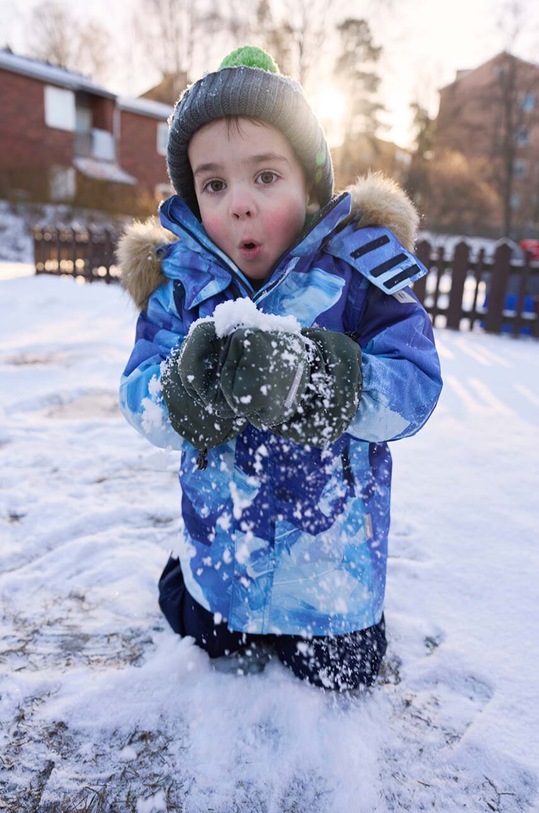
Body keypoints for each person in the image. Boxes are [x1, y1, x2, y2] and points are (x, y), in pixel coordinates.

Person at [118, 46, 442, 691]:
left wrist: (324, 382)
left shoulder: (359, 276)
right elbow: (138, 395)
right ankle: (193, 584)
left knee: (344, 675)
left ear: (310, 185)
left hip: (329, 582)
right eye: (214, 184)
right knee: (201, 630)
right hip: (222, 563)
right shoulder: (180, 287)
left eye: (265, 176)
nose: (239, 203)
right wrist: (182, 391)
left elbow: (415, 387)